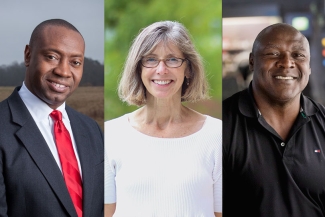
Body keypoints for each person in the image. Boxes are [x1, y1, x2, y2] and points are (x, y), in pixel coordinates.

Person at [104, 21, 222, 217]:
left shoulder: (216, 135)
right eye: (151, 59)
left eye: (173, 60)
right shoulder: (111, 135)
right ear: (138, 68)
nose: (161, 69)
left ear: (189, 69)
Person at [0, 19, 103, 217]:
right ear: (28, 55)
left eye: (75, 62)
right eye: (52, 57)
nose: (63, 71)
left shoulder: (92, 130)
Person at [223, 23, 325, 217]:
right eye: (273, 54)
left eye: (298, 55)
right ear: (252, 62)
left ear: (309, 66)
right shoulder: (220, 127)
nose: (287, 63)